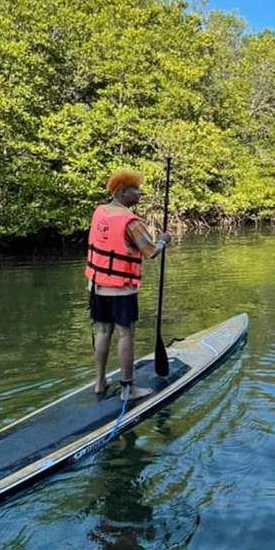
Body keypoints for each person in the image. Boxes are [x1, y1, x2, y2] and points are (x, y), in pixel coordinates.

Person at [86, 170, 168, 403]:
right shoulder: (132, 222)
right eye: (136, 190)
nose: (141, 193)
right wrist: (164, 240)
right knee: (126, 335)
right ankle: (128, 389)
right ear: (122, 192)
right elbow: (151, 251)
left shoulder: (99, 211)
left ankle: (100, 383)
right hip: (121, 289)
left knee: (103, 331)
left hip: (97, 286)